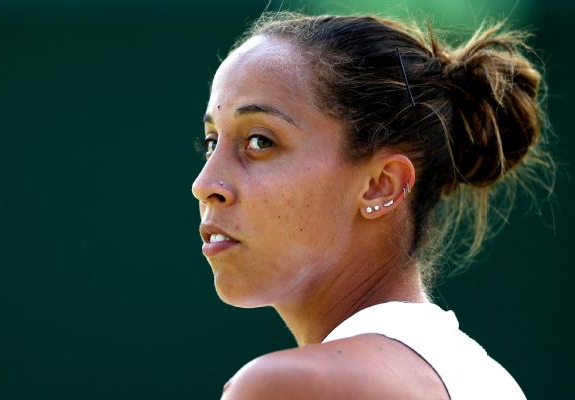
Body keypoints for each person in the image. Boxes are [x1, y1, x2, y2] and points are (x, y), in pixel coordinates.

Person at [191, 11, 551, 400]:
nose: (204, 185)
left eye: (260, 141)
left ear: (380, 186)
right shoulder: (489, 380)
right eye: (212, 143)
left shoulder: (284, 387)